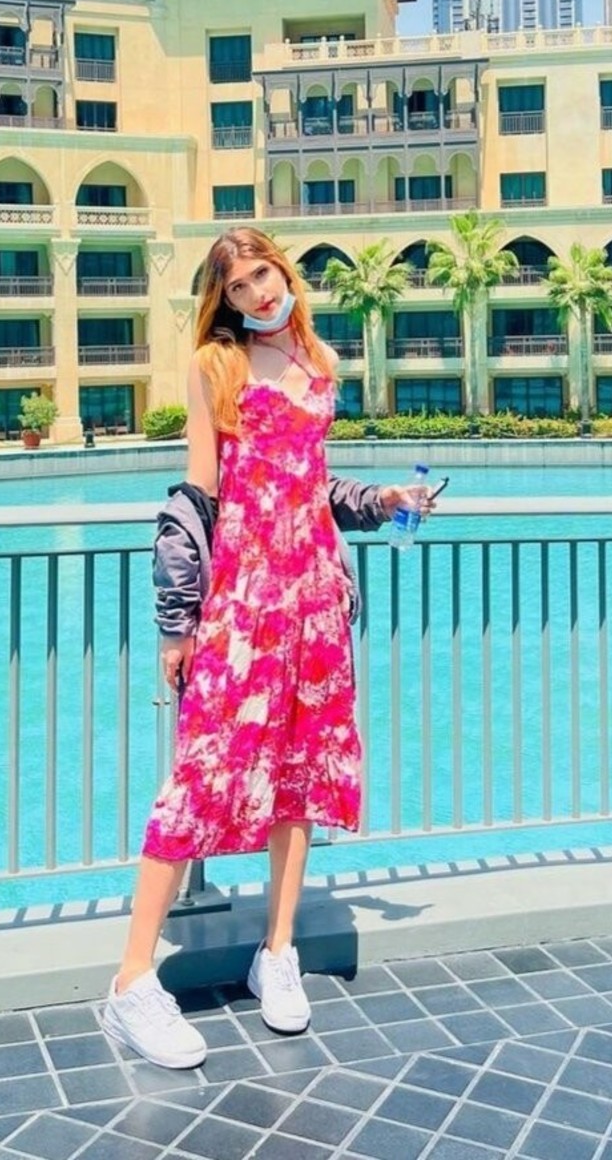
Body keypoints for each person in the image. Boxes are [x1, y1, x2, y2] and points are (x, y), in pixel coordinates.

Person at [101, 227, 435, 1069]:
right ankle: (131, 981)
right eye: (239, 285)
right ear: (224, 299)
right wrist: (178, 619)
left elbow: (312, 485)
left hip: (315, 600)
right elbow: (196, 497)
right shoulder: (216, 366)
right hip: (243, 601)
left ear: (284, 270)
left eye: (263, 274)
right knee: (198, 777)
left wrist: (385, 499)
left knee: (302, 773)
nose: (257, 292)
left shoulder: (321, 361)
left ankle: (276, 952)